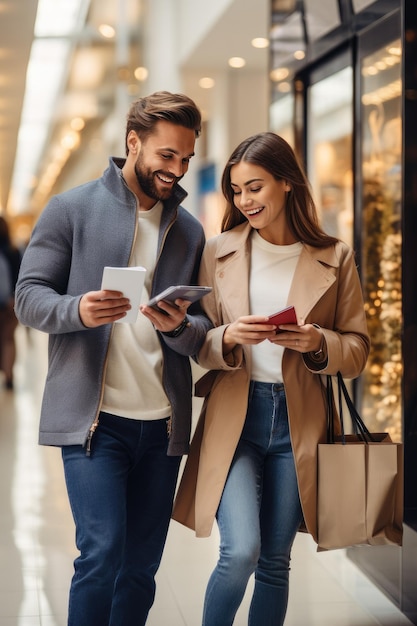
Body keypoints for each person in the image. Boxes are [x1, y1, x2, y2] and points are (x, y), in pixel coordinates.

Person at [15, 91, 212, 626]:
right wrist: (78, 308)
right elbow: (28, 296)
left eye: (186, 159)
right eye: (166, 156)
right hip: (94, 423)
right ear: (134, 143)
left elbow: (203, 332)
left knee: (141, 567)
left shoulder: (189, 230)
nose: (176, 169)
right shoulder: (70, 209)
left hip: (163, 425)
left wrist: (181, 328)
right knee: (101, 555)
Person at [172, 132, 370, 625]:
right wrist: (228, 336)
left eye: (255, 187)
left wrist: (319, 343)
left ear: (286, 183)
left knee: (275, 563)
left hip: (299, 423)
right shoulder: (218, 251)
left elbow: (359, 349)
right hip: (234, 419)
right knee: (240, 550)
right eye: (237, 191)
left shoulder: (335, 255)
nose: (245, 201)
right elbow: (197, 339)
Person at [0, 215, 22, 390]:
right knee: (9, 340)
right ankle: (9, 376)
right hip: (10, 303)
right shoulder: (13, 251)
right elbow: (21, 278)